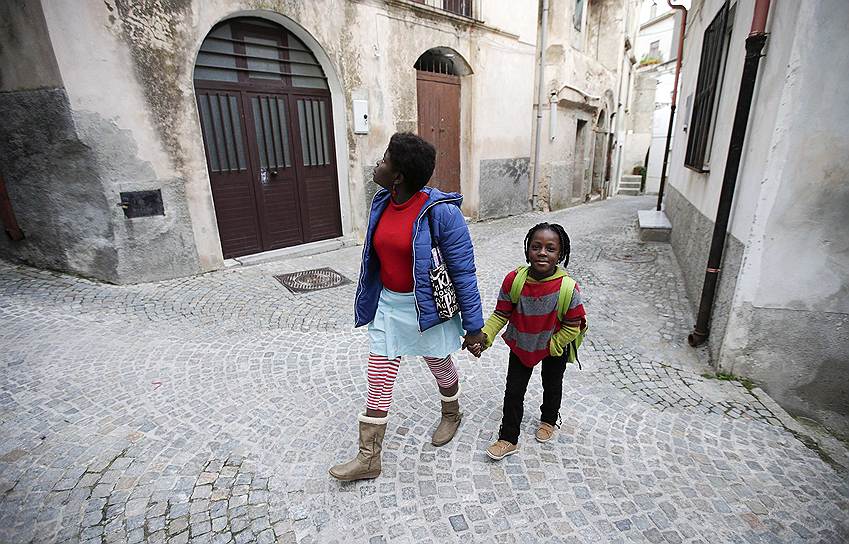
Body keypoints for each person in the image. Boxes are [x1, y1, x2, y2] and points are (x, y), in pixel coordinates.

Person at [329, 132, 485, 481]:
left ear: (398, 175)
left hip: (425, 307)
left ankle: (452, 412)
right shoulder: (383, 201)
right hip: (388, 305)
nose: (378, 165)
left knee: (439, 363)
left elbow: (464, 269)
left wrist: (474, 327)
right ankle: (369, 457)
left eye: (385, 160)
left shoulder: (441, 213)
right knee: (379, 373)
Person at [468, 222, 587, 460]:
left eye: (550, 248)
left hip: (553, 347)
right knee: (513, 391)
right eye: (536, 247)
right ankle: (508, 438)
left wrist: (553, 344)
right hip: (522, 344)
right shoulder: (514, 280)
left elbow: (574, 324)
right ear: (527, 250)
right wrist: (485, 337)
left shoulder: (568, 288)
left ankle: (549, 419)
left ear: (560, 254)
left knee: (552, 386)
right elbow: (501, 313)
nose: (542, 253)